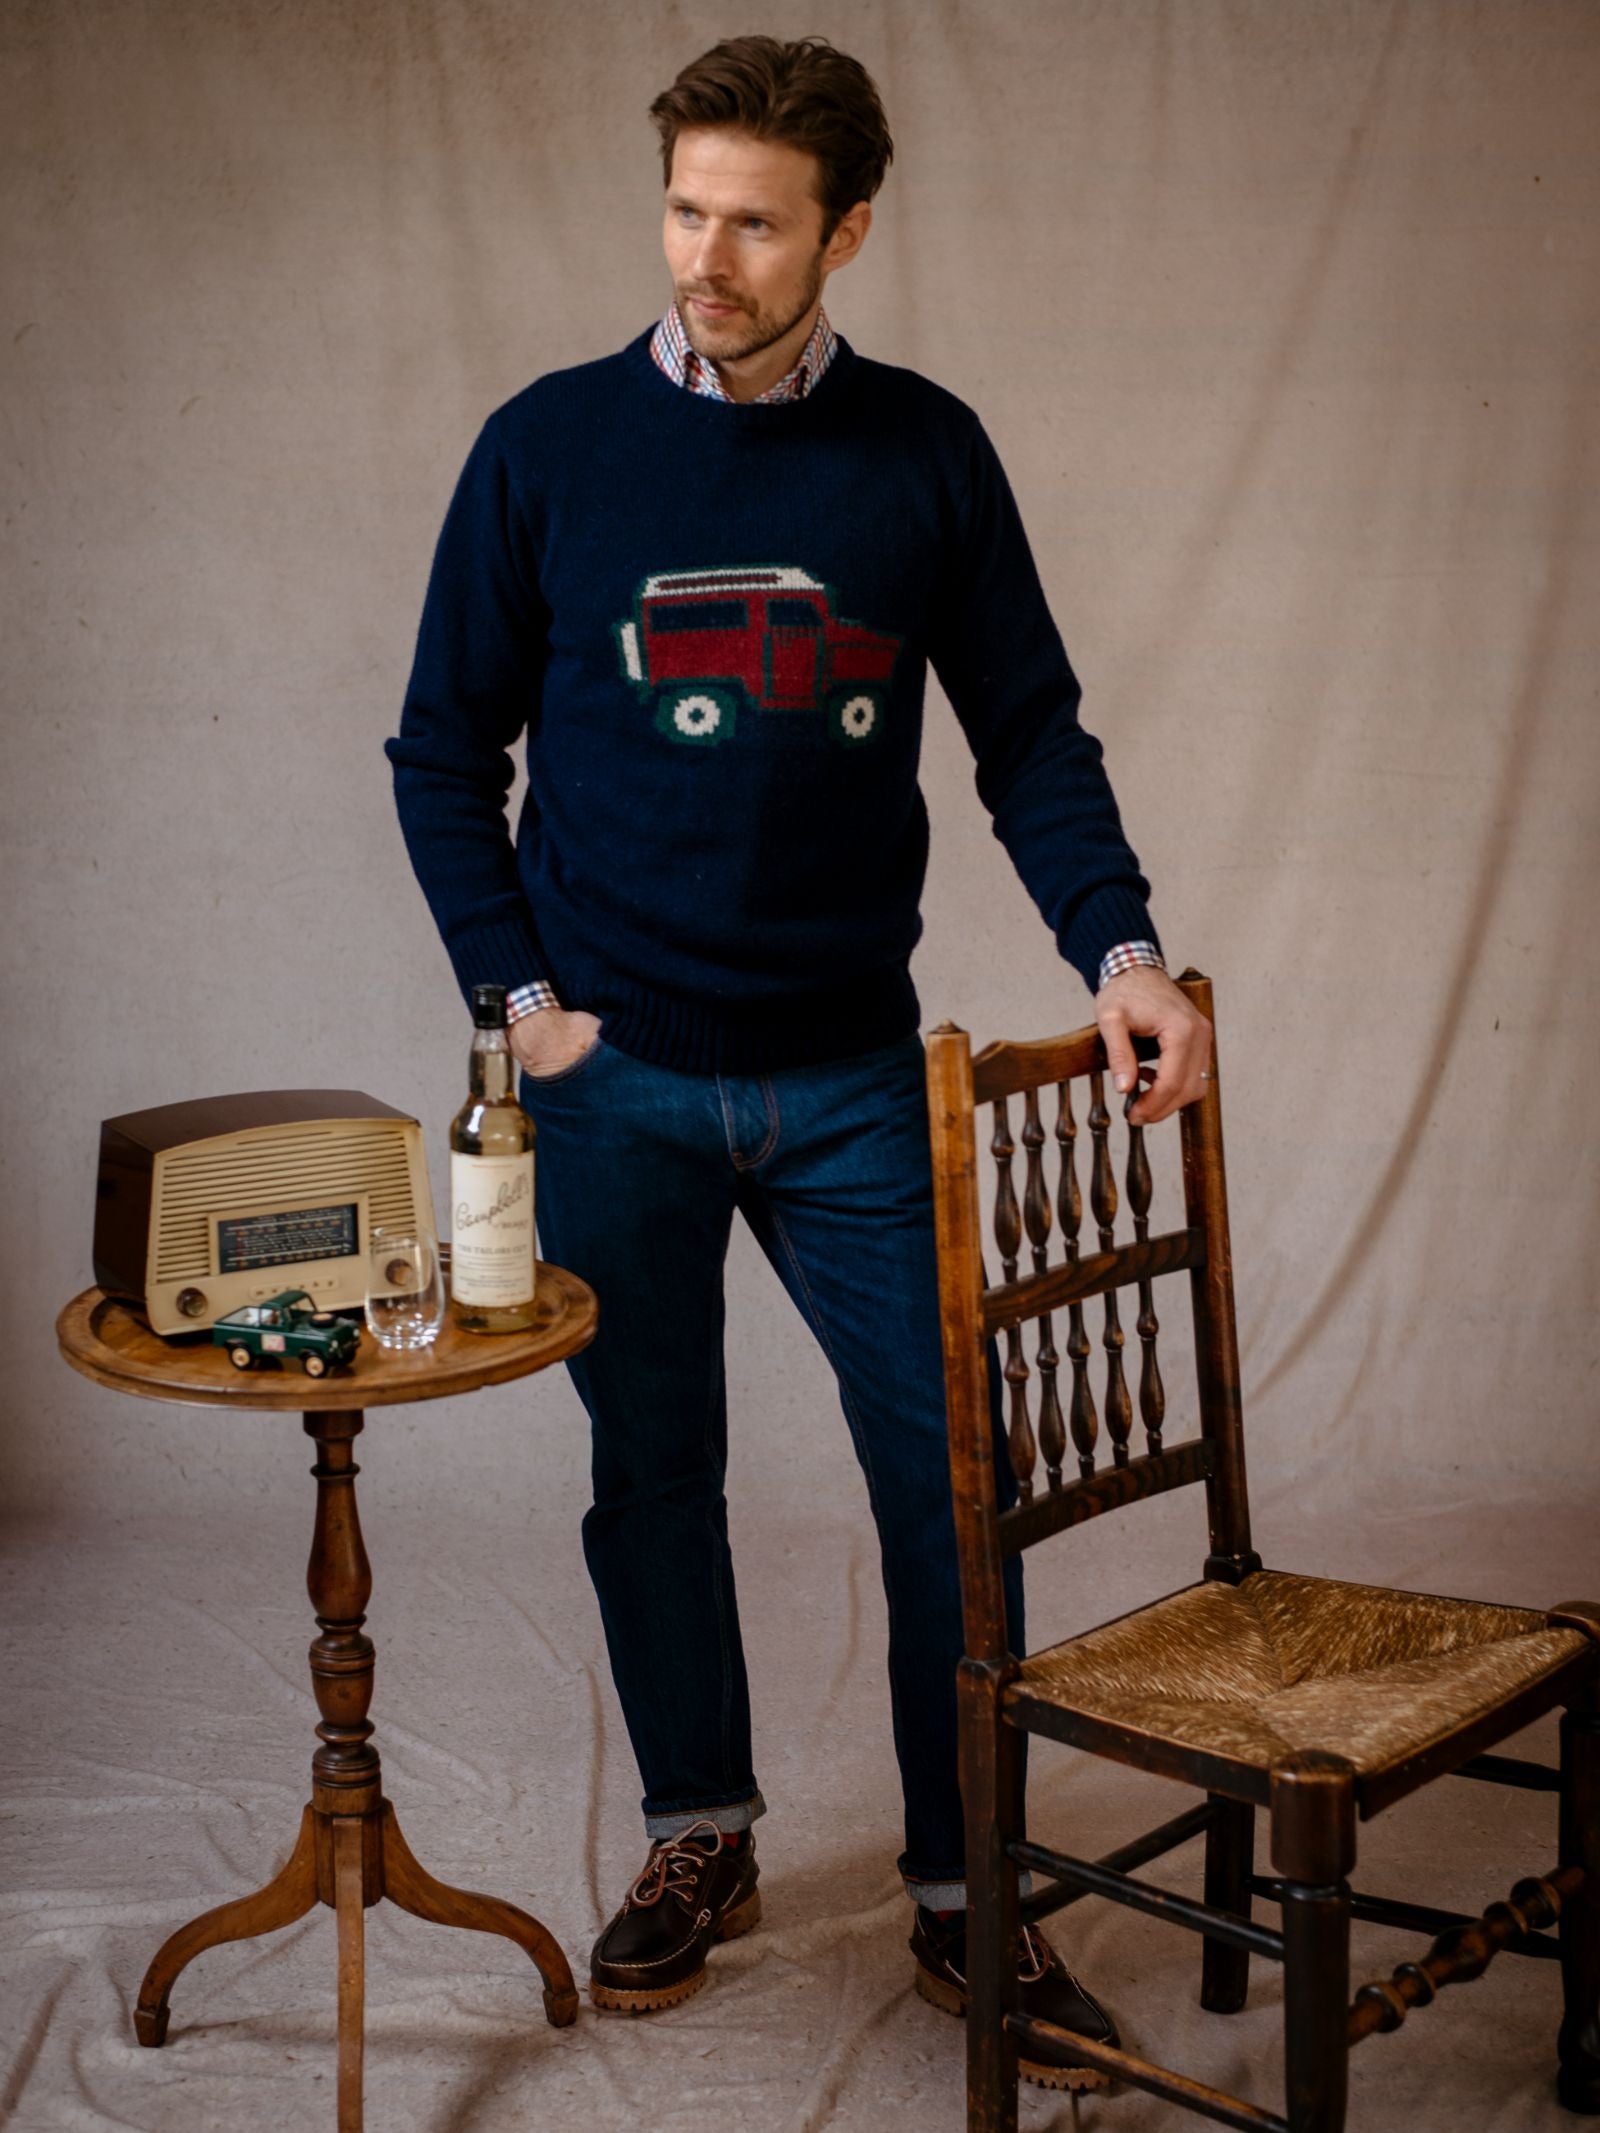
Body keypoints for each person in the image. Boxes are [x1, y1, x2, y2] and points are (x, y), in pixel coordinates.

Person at [387, 32, 1211, 2092]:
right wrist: (521, 1003)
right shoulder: (544, 447)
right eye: (683, 207)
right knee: (646, 1471)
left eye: (753, 218)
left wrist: (1120, 950)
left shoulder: (922, 452)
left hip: (852, 1072)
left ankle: (967, 1891)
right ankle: (702, 1832)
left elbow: (1026, 729)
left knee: (953, 1472)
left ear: (846, 224)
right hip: (613, 1076)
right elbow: (435, 750)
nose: (706, 254)